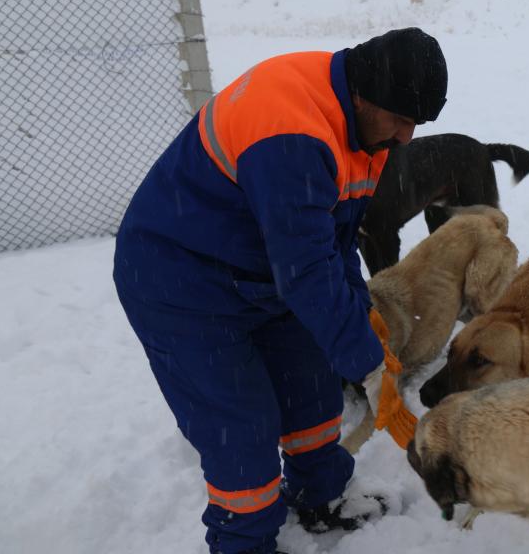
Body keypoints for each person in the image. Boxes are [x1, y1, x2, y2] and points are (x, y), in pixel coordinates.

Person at [113, 28, 447, 554]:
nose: (407, 137)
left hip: (261, 267)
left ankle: (322, 496)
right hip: (180, 279)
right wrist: (369, 361)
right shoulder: (292, 131)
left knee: (311, 387)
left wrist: (362, 314)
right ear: (364, 95)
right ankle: (242, 544)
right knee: (241, 428)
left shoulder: (363, 125)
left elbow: (331, 237)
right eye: (401, 119)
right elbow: (307, 270)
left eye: (417, 124)